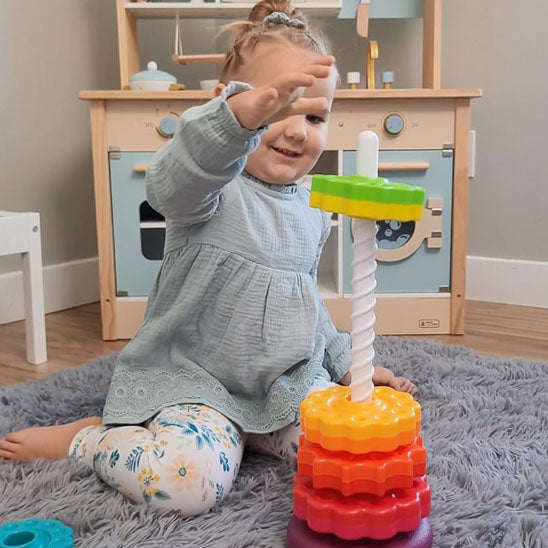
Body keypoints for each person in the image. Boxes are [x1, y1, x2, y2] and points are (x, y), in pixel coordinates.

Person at [0, 0, 417, 514]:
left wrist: (347, 363)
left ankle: (256, 433)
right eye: (276, 110)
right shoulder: (210, 189)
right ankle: (88, 440)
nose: (296, 129)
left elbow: (306, 307)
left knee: (350, 450)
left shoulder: (314, 206)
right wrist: (234, 125)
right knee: (187, 486)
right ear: (229, 107)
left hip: (281, 385)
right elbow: (171, 180)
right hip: (198, 383)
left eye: (314, 116)